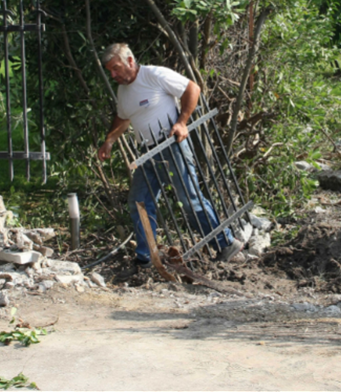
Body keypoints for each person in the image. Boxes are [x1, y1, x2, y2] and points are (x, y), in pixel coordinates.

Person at [97, 43, 243, 270]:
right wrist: (109, 140)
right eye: (110, 71)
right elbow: (123, 118)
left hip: (171, 145)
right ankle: (146, 258)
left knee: (189, 199)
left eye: (116, 68)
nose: (113, 75)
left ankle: (226, 243)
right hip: (147, 153)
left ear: (130, 61)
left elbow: (192, 89)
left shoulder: (154, 75)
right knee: (139, 202)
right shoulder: (123, 92)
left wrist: (181, 122)